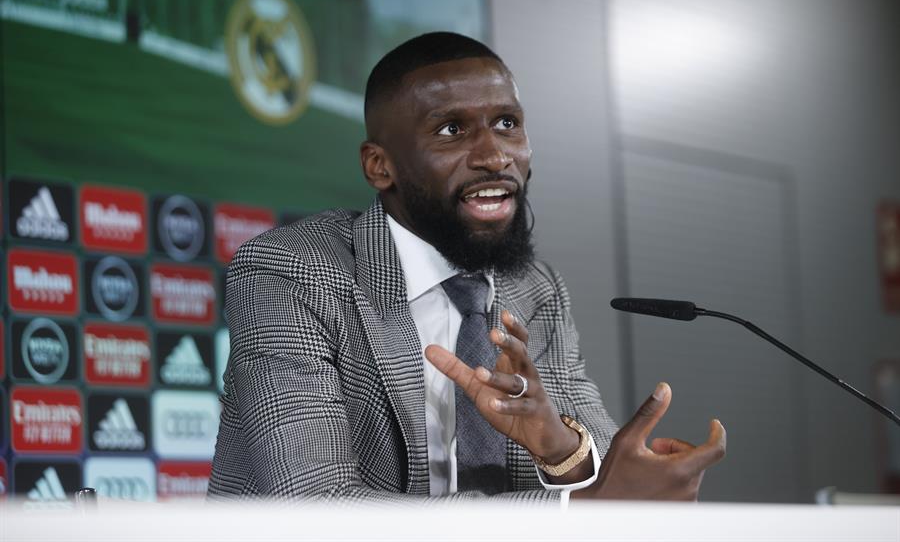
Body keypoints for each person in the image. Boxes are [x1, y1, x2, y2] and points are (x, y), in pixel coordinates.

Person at [208, 32, 726, 504]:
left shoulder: (534, 289)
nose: (495, 155)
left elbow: (604, 481)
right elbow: (313, 502)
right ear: (379, 166)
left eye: (507, 124)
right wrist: (578, 509)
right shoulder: (290, 272)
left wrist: (559, 446)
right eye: (452, 129)